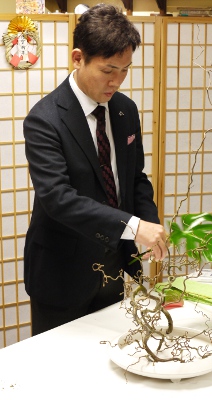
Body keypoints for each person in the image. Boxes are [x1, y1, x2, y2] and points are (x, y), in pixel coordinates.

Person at [23, 3, 168, 336]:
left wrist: (149, 224)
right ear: (78, 58)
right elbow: (58, 198)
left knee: (108, 365)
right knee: (60, 376)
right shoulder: (45, 120)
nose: (116, 81)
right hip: (62, 273)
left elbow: (135, 178)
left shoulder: (125, 110)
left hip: (114, 265)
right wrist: (133, 225)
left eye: (125, 70)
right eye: (108, 70)